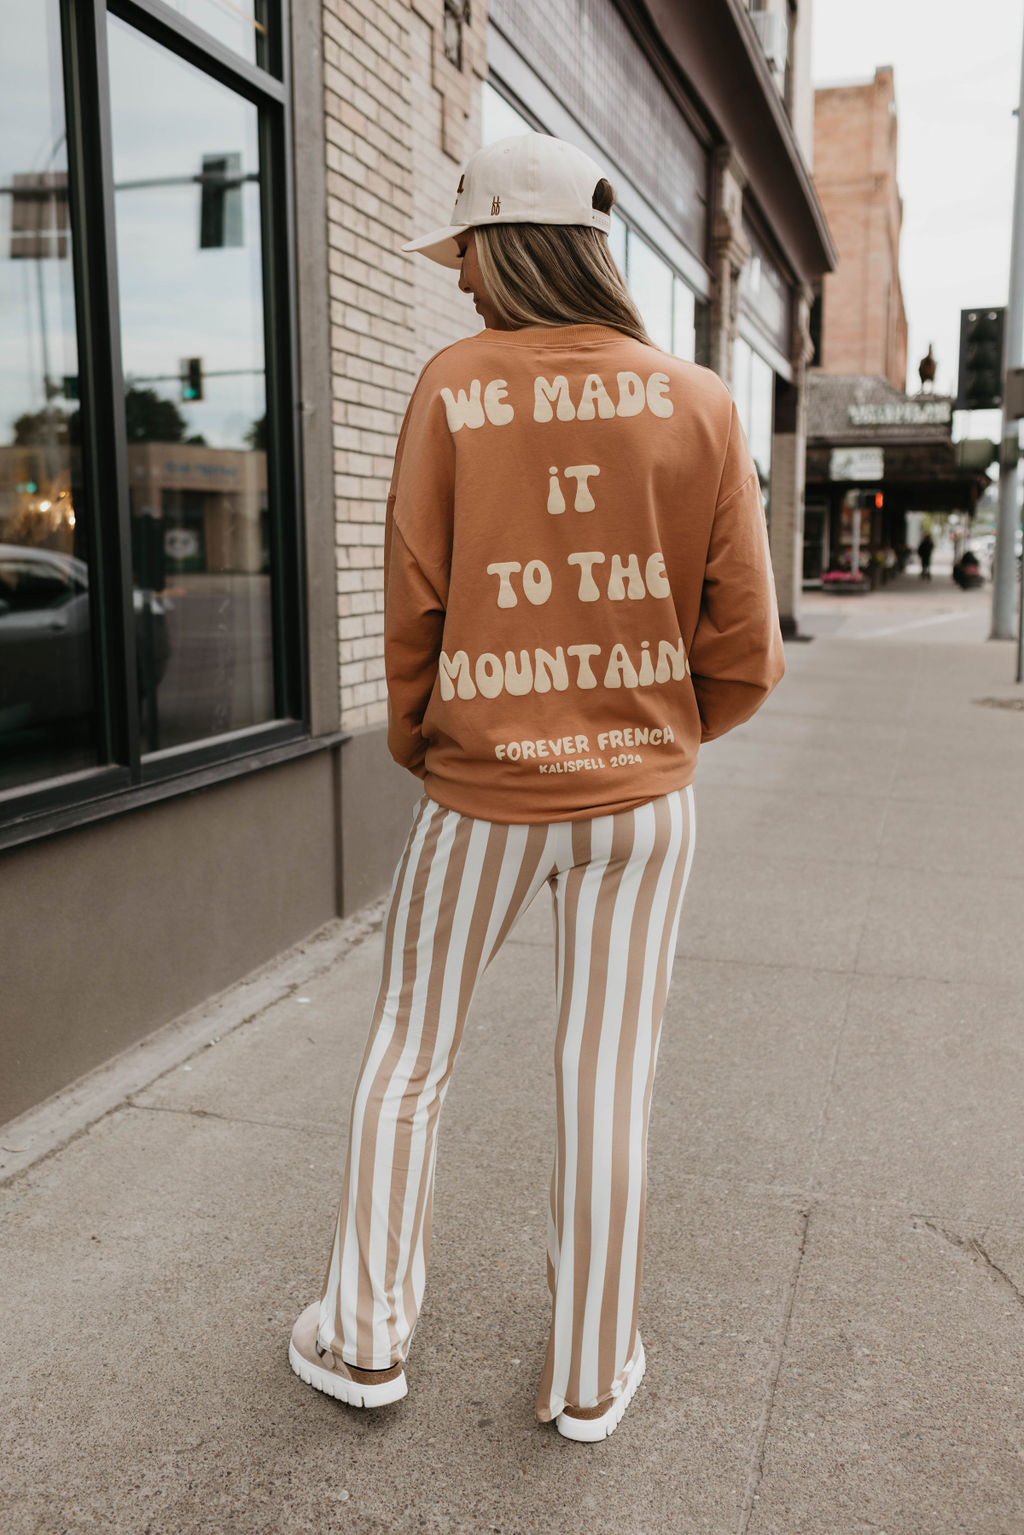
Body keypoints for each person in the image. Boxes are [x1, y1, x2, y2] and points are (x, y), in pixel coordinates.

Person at [288, 133, 785, 1442]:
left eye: (465, 254)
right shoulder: (700, 402)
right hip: (646, 801)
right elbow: (748, 644)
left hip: (481, 790)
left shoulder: (453, 388)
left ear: (506, 247)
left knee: (410, 1056)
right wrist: (664, 733)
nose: (456, 283)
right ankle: (587, 1377)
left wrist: (429, 743)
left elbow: (412, 603)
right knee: (610, 1076)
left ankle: (366, 1339)